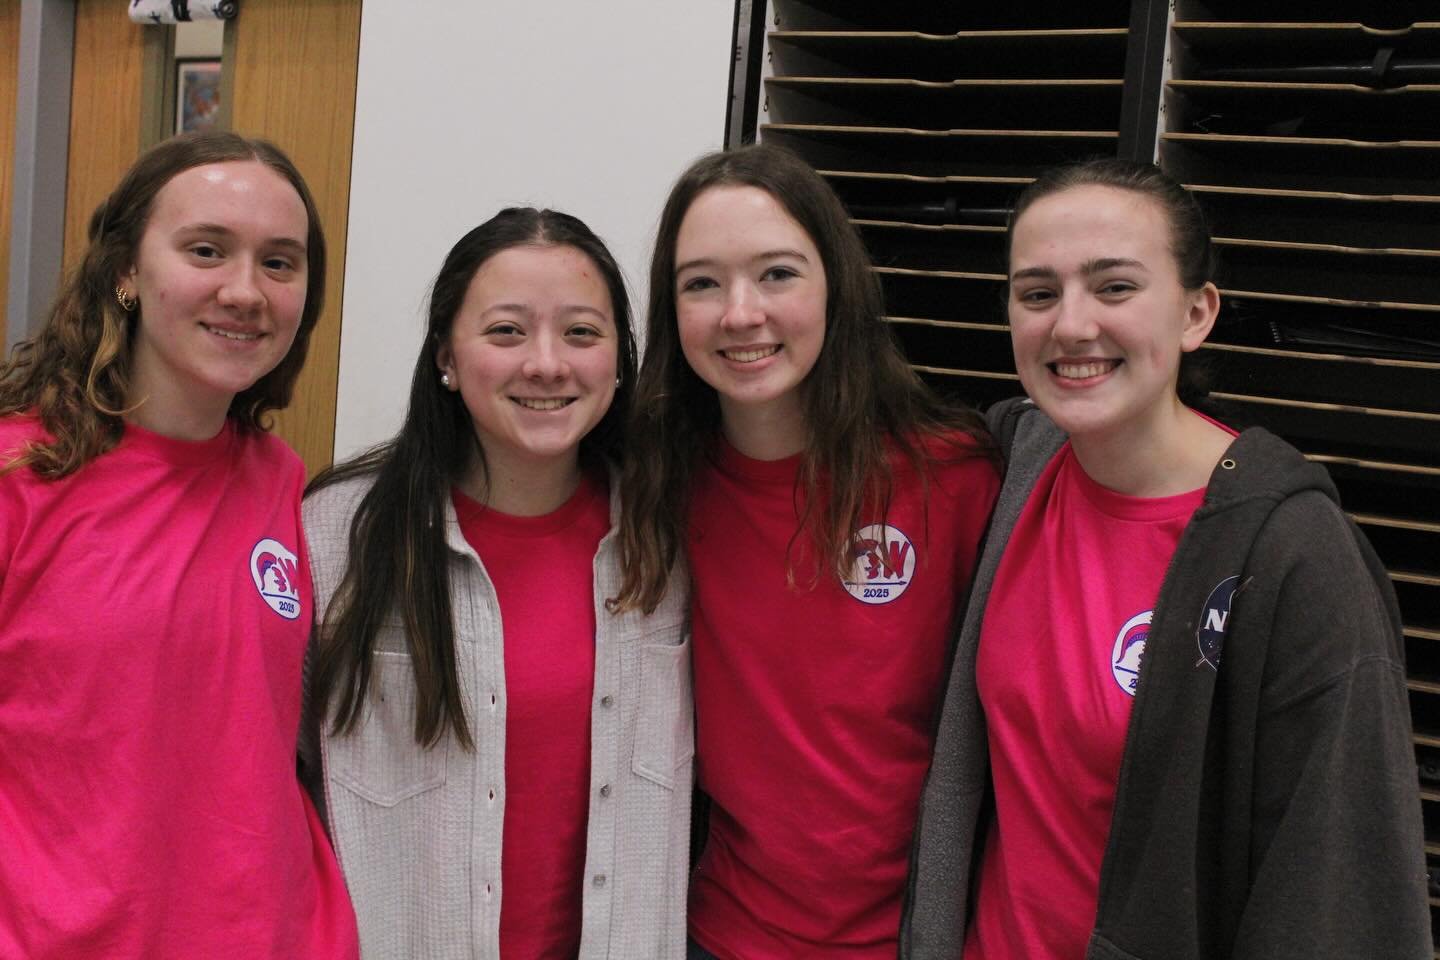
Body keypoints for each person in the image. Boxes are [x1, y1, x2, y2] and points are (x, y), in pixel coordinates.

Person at [902, 158, 1429, 959]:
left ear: (1196, 312)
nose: (1071, 326)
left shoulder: (1291, 556)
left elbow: (1336, 890)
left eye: (1114, 287)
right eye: (1038, 293)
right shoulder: (1013, 465)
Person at [615, 143, 1001, 959]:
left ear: (837, 285)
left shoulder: (954, 478)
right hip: (713, 934)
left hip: (914, 940)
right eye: (702, 283)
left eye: (777, 274)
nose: (740, 313)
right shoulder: (655, 485)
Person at [0, 132, 357, 958]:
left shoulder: (279, 480)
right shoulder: (21, 475)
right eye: (206, 250)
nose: (245, 291)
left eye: (279, 263)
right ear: (125, 272)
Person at [301, 207, 693, 959]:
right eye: (507, 331)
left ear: (619, 358)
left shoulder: (665, 539)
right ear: (446, 354)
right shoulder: (337, 536)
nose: (547, 364)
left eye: (581, 333)